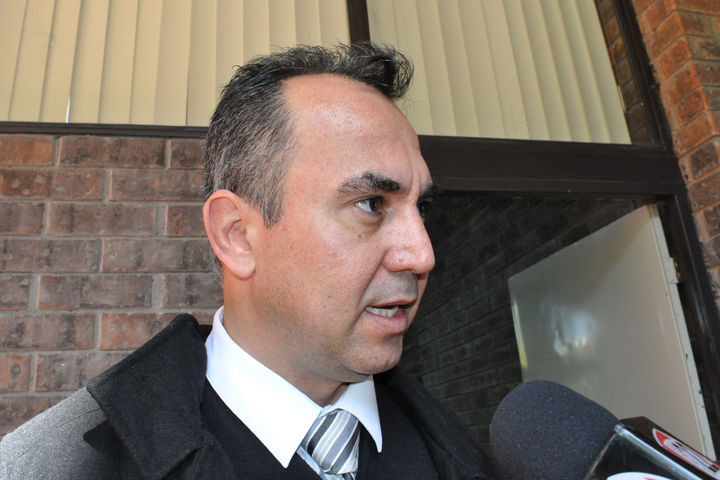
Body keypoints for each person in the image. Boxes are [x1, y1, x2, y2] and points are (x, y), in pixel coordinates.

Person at [0, 43, 495, 480]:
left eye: (421, 207)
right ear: (236, 235)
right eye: (371, 203)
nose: (422, 255)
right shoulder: (46, 467)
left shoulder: (466, 455)